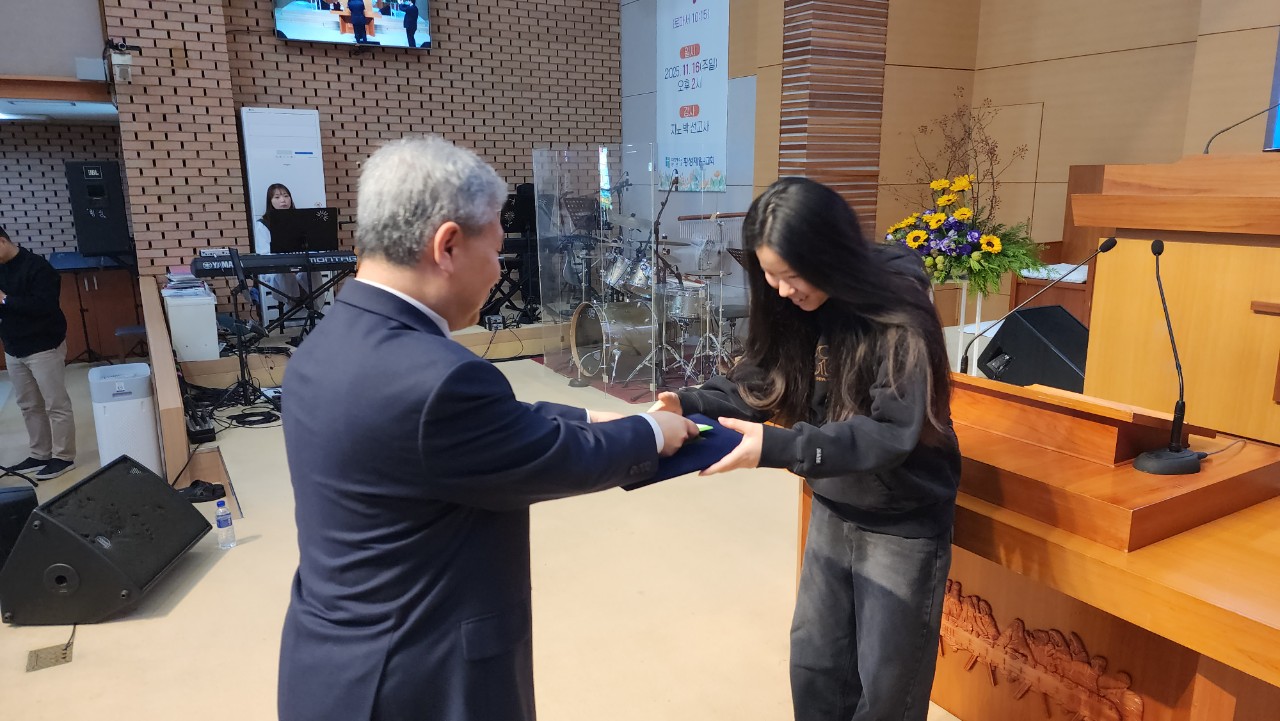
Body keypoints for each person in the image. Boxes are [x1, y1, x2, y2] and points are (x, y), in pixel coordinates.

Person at [277, 136, 698, 721]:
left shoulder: (329, 341)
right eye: (498, 249)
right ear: (447, 245)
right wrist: (651, 433)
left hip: (335, 665)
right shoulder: (437, 378)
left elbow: (468, 435)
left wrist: (588, 415)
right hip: (418, 681)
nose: (500, 269)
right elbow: (548, 458)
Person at [651, 177, 961, 721]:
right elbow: (764, 378)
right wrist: (691, 402)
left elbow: (892, 432)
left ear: (829, 256)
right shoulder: (796, 301)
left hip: (901, 516)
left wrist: (782, 446)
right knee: (816, 666)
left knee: (887, 689)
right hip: (834, 502)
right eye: (769, 275)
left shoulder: (899, 312)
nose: (779, 290)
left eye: (789, 275)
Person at [0, 226, 77, 481]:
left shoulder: (38, 268)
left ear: (2, 242)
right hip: (13, 348)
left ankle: (64, 457)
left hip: (44, 347)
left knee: (56, 404)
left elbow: (44, 306)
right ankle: (39, 454)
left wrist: (5, 300)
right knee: (29, 405)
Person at [252, 183, 320, 324]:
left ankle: (312, 307)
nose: (283, 200)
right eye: (277, 197)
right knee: (285, 274)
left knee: (313, 271)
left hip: (302, 266)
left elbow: (312, 245)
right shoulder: (263, 224)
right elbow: (264, 254)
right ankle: (296, 303)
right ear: (270, 201)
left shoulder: (302, 220)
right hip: (279, 268)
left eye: (286, 196)